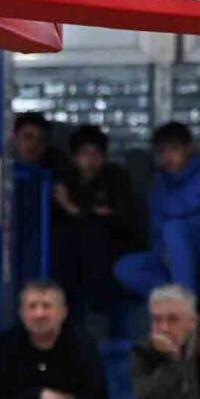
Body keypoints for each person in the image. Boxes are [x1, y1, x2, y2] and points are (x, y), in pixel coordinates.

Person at [115, 121, 200, 305]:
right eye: (162, 151)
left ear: (189, 148)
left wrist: (173, 241)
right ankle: (178, 298)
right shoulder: (160, 183)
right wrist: (163, 250)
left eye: (174, 150)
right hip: (171, 258)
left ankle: (185, 309)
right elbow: (155, 229)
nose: (168, 157)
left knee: (174, 229)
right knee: (125, 267)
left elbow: (194, 214)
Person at [49, 126, 142, 318]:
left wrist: (74, 209)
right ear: (74, 157)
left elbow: (117, 222)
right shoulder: (64, 181)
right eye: (84, 153)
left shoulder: (115, 179)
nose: (90, 160)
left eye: (96, 154)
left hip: (108, 260)